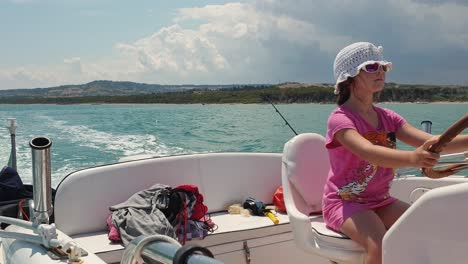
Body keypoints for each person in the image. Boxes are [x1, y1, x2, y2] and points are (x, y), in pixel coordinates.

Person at [322, 42, 468, 264]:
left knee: (426, 228)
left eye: (382, 66)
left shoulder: (388, 117)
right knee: (379, 245)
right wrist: (413, 158)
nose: (380, 71)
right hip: (346, 203)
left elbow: (432, 142)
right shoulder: (340, 120)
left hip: (381, 200)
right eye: (371, 67)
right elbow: (369, 152)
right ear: (349, 76)